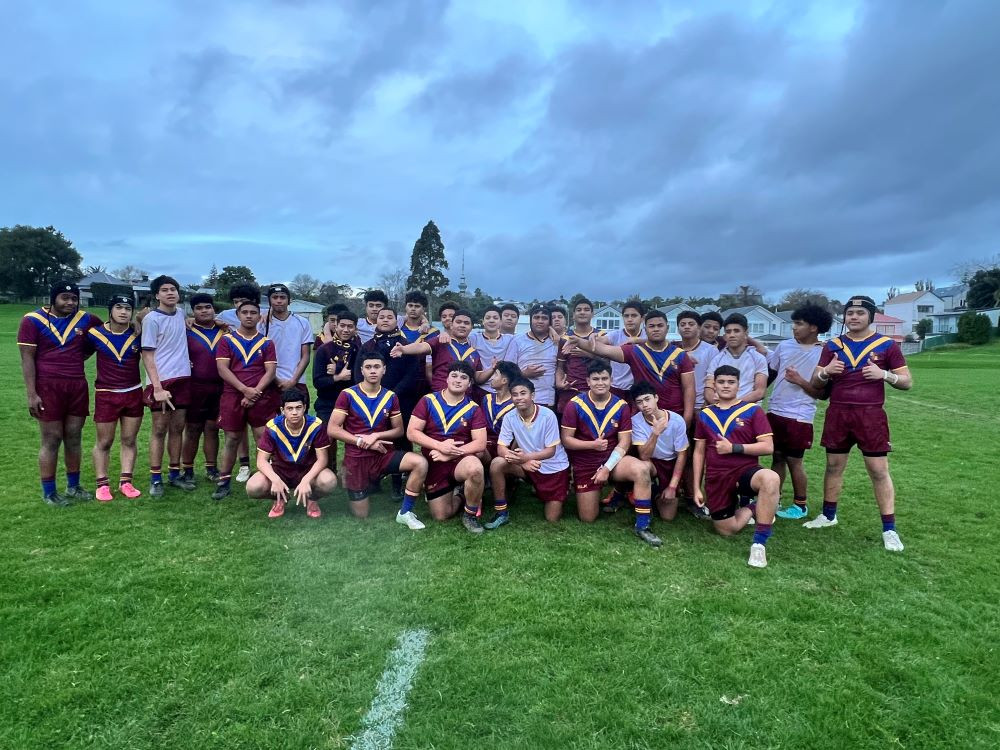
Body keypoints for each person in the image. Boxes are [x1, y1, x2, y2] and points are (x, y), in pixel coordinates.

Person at [803, 295, 912, 552]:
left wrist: (884, 375)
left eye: (860, 313)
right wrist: (825, 371)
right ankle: (828, 515)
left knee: (877, 470)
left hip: (870, 415)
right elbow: (816, 382)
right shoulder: (833, 345)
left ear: (870, 317)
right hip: (839, 413)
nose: (854, 317)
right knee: (833, 466)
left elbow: (907, 382)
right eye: (850, 313)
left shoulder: (886, 346)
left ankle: (889, 529)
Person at [18, 281, 103, 506]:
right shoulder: (32, 320)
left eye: (74, 298)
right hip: (48, 386)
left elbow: (108, 332)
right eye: (65, 297)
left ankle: (73, 487)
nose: (70, 302)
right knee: (52, 438)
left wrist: (141, 318)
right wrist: (31, 393)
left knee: (74, 436)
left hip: (76, 385)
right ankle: (49, 491)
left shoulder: (86, 319)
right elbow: (27, 358)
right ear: (53, 298)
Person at [561, 360, 661, 547]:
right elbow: (566, 439)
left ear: (611, 380)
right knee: (588, 518)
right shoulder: (574, 405)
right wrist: (592, 445)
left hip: (613, 460)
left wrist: (607, 467)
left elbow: (624, 441)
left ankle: (643, 526)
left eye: (604, 378)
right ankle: (620, 492)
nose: (600, 382)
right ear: (588, 381)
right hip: (586, 462)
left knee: (641, 469)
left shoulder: (621, 405)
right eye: (596, 379)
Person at [692, 365, 781, 568]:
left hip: (745, 473)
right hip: (717, 476)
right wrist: (696, 486)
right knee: (726, 530)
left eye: (731, 382)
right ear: (714, 385)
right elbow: (699, 452)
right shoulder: (704, 415)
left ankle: (759, 544)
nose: (726, 386)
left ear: (739, 385)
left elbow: (768, 447)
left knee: (771, 478)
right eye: (721, 382)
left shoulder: (753, 411)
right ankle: (753, 508)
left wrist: (734, 448)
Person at [328, 352, 429, 529]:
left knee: (420, 462)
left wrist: (376, 436)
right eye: (368, 367)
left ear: (384, 370)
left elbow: (399, 430)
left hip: (382, 455)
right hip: (357, 459)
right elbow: (333, 429)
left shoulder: (391, 396)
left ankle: (405, 513)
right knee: (362, 515)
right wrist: (361, 441)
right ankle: (357, 481)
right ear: (362, 370)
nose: (372, 371)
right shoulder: (347, 395)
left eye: (376, 367)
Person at [766, 303, 833, 520]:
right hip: (775, 411)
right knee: (776, 458)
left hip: (799, 416)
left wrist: (799, 380)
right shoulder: (784, 346)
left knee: (794, 461)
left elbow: (822, 394)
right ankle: (773, 499)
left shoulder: (824, 353)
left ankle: (800, 505)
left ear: (813, 327)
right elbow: (769, 375)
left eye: (799, 324)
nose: (794, 327)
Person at [572, 310, 695, 427]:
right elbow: (604, 350)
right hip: (643, 415)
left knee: (678, 449)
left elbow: (688, 388)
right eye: (651, 326)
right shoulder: (635, 351)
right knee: (641, 448)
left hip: (674, 414)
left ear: (667, 328)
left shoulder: (680, 355)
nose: (656, 329)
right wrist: (578, 341)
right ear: (645, 329)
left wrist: (687, 417)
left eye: (660, 325)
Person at [406, 361, 488, 532]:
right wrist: (440, 446)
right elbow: (412, 432)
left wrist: (451, 453)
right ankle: (461, 494)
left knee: (475, 468)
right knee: (441, 515)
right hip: (434, 462)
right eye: (454, 376)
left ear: (470, 383)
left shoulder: (473, 408)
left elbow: (480, 443)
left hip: (460, 461)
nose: (458, 380)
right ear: (447, 378)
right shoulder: (428, 400)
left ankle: (470, 515)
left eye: (464, 377)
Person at [211, 300, 279, 500]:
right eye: (245, 312)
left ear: (259, 317)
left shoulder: (267, 342)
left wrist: (255, 391)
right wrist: (244, 390)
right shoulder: (227, 340)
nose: (249, 316)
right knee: (232, 438)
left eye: (253, 313)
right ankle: (224, 481)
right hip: (233, 396)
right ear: (238, 316)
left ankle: (269, 480)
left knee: (263, 438)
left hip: (261, 396)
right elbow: (222, 369)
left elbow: (270, 371)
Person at [488, 376, 571, 527]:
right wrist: (521, 461)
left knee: (552, 519)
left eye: (523, 393)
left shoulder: (547, 415)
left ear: (532, 395)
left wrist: (524, 459)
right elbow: (501, 448)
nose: (519, 398)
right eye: (515, 394)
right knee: (497, 464)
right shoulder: (510, 417)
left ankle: (561, 488)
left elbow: (550, 451)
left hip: (554, 468)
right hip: (528, 465)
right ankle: (501, 511)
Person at [85, 294, 145, 502]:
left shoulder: (138, 333)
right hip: (106, 394)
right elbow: (79, 355)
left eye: (127, 309)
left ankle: (126, 482)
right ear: (110, 310)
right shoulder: (94, 334)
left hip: (133, 392)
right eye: (118, 307)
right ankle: (102, 484)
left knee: (129, 439)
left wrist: (139, 320)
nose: (123, 312)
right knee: (105, 441)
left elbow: (151, 315)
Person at [141, 275, 193, 497]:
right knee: (159, 429)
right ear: (157, 295)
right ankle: (155, 479)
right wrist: (157, 387)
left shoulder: (181, 314)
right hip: (162, 383)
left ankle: (174, 474)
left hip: (183, 379)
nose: (170, 293)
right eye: (165, 290)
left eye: (173, 289)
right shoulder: (152, 319)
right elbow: (147, 355)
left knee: (178, 428)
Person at [247, 389, 337, 519]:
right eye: (290, 408)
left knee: (329, 481)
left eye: (298, 408)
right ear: (282, 410)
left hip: (308, 471)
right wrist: (275, 480)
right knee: (253, 486)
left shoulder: (316, 425)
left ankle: (312, 499)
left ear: (304, 408)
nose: (294, 412)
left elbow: (322, 460)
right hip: (281, 471)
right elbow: (261, 461)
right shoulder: (273, 426)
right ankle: (281, 497)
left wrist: (306, 480)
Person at [390, 308, 496, 393]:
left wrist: (492, 369)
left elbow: (477, 378)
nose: (462, 325)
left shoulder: (474, 352)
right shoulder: (441, 341)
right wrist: (403, 349)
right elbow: (422, 347)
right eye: (458, 322)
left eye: (466, 323)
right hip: (439, 397)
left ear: (471, 327)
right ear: (452, 324)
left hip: (463, 401)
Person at [182, 293, 225, 484]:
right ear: (193, 311)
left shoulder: (224, 331)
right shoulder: (186, 330)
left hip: (219, 386)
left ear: (213, 309)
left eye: (207, 307)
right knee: (192, 429)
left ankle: (211, 467)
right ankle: (188, 470)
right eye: (199, 308)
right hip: (194, 387)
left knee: (212, 428)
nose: (204, 311)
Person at [629, 382, 688, 521]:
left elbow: (682, 455)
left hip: (671, 463)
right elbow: (644, 455)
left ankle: (656, 493)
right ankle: (640, 491)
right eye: (639, 402)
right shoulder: (636, 421)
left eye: (647, 399)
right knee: (643, 466)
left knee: (668, 517)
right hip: (651, 463)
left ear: (656, 398)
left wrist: (672, 486)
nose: (644, 405)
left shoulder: (677, 420)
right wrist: (655, 433)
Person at [260, 283, 313, 408]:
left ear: (289, 300)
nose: (279, 301)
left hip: (297, 381)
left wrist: (293, 380)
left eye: (282, 297)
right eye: (275, 297)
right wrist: (275, 379)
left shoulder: (302, 322)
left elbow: (306, 356)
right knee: (272, 424)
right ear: (269, 300)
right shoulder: (261, 322)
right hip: (269, 381)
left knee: (297, 422)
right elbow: (260, 356)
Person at [556, 297, 606, 415]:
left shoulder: (601, 336)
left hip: (596, 390)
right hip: (571, 390)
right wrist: (559, 382)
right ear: (573, 315)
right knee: (568, 428)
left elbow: (609, 363)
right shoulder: (565, 338)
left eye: (586, 309)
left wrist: (589, 354)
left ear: (592, 314)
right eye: (579, 310)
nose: (582, 312)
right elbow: (560, 367)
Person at [704, 314, 768, 406]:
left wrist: (733, 404)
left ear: (746, 333)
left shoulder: (758, 358)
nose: (732, 335)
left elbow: (760, 392)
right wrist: (721, 405)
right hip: (721, 410)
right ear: (725, 336)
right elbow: (708, 389)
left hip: (747, 411)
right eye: (728, 332)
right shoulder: (717, 359)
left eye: (736, 331)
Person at [313, 310, 360, 430]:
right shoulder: (324, 350)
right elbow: (318, 382)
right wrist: (338, 377)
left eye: (350, 326)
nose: (345, 330)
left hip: (353, 401)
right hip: (327, 402)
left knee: (356, 439)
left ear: (355, 328)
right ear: (336, 326)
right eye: (342, 325)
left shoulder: (359, 350)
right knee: (326, 441)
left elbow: (358, 379)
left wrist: (337, 368)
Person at [514, 305, 559, 408]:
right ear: (530, 319)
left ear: (550, 322)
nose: (540, 321)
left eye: (544, 318)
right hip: (521, 399)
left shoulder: (557, 341)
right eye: (536, 317)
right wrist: (524, 374)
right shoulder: (517, 340)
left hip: (548, 401)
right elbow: (507, 371)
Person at [470, 305, 520, 393]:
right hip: (480, 387)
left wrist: (550, 330)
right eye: (488, 318)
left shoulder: (510, 339)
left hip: (501, 388)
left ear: (500, 322)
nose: (491, 320)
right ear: (483, 321)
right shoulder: (474, 338)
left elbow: (529, 336)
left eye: (495, 318)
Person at [481, 361, 521, 462]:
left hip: (504, 448)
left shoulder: (516, 405)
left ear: (504, 381)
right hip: (484, 446)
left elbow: (518, 436)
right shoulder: (487, 399)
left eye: (495, 374)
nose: (491, 377)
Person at [607, 300, 645, 401]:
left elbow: (663, 342)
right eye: (626, 316)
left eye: (634, 315)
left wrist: (638, 340)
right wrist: (595, 336)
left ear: (642, 318)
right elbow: (600, 341)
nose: (630, 319)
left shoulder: (647, 336)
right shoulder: (615, 335)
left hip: (641, 390)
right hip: (616, 388)